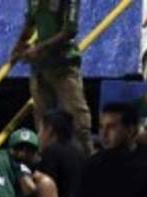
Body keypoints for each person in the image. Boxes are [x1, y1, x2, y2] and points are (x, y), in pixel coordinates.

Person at [10, 0, 91, 149]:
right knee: (44, 125)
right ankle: (46, 162)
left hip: (64, 65)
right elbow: (30, 22)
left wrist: (39, 49)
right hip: (40, 68)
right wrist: (18, 46)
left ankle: (87, 162)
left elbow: (69, 31)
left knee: (78, 121)